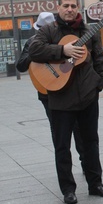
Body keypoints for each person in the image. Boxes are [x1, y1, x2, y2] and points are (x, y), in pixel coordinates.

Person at [28, 0, 103, 204]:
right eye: (66, 5)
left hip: (87, 96)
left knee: (91, 142)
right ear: (59, 8)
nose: (69, 9)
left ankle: (96, 184)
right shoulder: (49, 30)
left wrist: (99, 83)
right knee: (62, 145)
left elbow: (99, 58)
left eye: (73, 6)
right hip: (59, 97)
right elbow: (34, 50)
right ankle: (68, 189)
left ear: (78, 8)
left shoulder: (89, 31)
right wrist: (62, 50)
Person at [16, 12, 85, 169]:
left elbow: (71, 63)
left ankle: (83, 161)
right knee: (60, 130)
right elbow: (20, 65)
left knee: (75, 128)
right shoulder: (33, 42)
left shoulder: (63, 39)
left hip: (67, 89)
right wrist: (35, 54)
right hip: (47, 91)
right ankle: (67, 164)